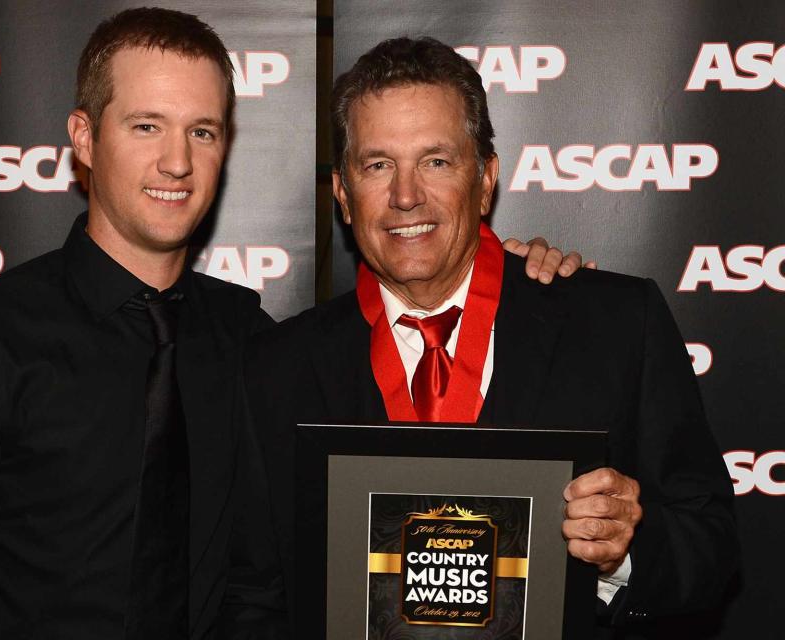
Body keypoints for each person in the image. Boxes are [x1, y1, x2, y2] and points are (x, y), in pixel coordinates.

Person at [0, 8, 583, 639]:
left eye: (203, 131)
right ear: (84, 139)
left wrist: (511, 270)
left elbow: (268, 578)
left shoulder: (253, 340)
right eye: (146, 125)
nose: (177, 161)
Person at [243, 36, 736, 636]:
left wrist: (622, 551)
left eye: (436, 161)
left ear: (485, 179)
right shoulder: (279, 365)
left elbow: (713, 548)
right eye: (378, 165)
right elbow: (254, 596)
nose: (405, 196)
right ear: (344, 195)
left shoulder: (616, 324)